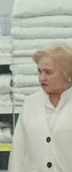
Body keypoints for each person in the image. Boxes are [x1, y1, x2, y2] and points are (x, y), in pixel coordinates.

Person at [8, 42, 72, 171]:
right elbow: (18, 151)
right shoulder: (30, 104)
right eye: (39, 71)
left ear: (66, 73)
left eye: (48, 72)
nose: (42, 78)